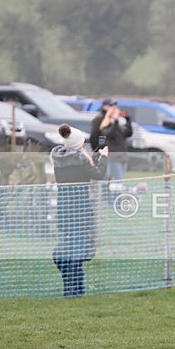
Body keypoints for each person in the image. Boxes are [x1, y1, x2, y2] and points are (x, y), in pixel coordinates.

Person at [50, 124, 108, 297]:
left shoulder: (61, 158)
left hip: (64, 213)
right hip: (80, 212)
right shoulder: (80, 160)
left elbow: (86, 165)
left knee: (71, 250)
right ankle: (74, 291)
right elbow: (98, 174)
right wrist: (104, 157)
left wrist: (97, 154)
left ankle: (73, 290)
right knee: (76, 253)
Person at [90, 99, 132, 189]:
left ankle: (110, 198)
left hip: (120, 153)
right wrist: (99, 149)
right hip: (109, 153)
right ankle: (107, 199)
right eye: (110, 106)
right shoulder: (100, 119)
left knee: (114, 180)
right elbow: (98, 136)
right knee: (109, 178)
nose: (113, 109)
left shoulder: (116, 121)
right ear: (104, 107)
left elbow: (126, 133)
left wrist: (127, 120)